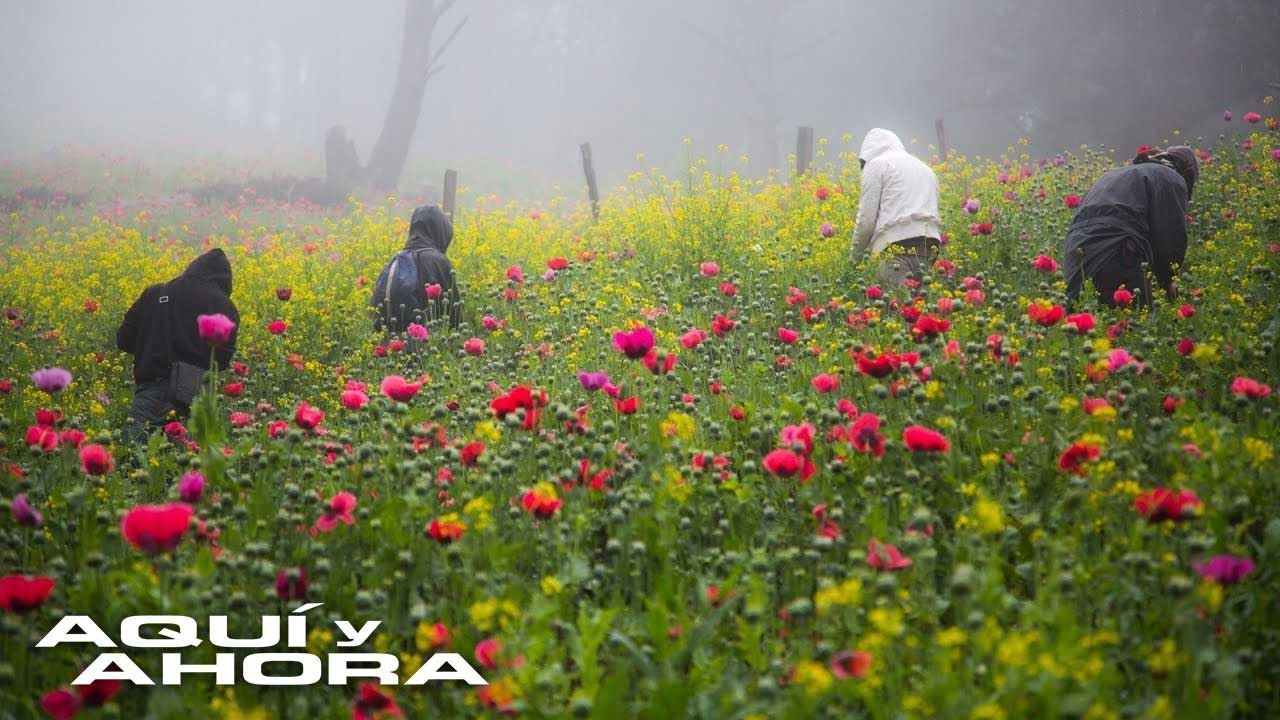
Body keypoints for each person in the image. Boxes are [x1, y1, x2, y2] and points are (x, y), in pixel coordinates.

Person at [116, 248, 239, 443]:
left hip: (150, 392)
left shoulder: (155, 293)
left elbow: (124, 340)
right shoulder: (224, 306)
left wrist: (152, 346)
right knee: (186, 457)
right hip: (195, 394)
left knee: (134, 453)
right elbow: (222, 359)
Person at [1062, 146, 1198, 307]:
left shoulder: (1111, 175)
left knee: (1082, 314)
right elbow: (1169, 239)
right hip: (1118, 249)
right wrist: (1167, 282)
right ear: (1187, 173)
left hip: (1075, 254)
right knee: (1134, 317)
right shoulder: (1170, 177)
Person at [851, 128, 943, 289]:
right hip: (929, 249)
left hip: (896, 248)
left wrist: (854, 261)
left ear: (867, 154)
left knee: (896, 301)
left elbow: (866, 220)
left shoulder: (876, 164)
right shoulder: (926, 169)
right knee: (920, 301)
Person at [372, 205, 462, 336]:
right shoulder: (437, 261)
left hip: (388, 339)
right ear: (441, 230)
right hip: (424, 340)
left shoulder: (396, 258)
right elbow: (454, 312)